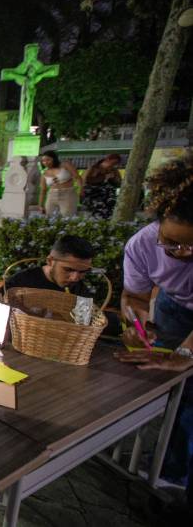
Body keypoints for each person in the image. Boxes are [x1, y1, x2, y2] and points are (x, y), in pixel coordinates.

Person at [118, 156, 193, 510]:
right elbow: (133, 295)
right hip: (174, 307)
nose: (182, 253)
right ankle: (163, 455)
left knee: (190, 390)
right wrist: (137, 325)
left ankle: (175, 472)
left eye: (192, 246)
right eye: (172, 243)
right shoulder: (142, 245)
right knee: (163, 380)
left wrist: (186, 355)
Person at [4, 235, 95, 296]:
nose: (75, 278)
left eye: (83, 271)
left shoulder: (80, 290)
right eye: (68, 269)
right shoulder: (20, 282)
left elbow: (84, 321)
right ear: (50, 261)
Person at [38, 150, 83, 217]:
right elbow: (43, 190)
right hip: (52, 195)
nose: (45, 162)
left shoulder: (65, 165)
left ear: (54, 159)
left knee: (67, 216)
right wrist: (40, 205)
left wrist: (81, 190)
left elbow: (77, 177)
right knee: (49, 216)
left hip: (68, 194)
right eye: (43, 161)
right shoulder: (44, 173)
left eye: (48, 160)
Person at [81, 153, 122, 219]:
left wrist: (114, 178)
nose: (114, 165)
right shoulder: (94, 168)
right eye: (113, 163)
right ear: (108, 160)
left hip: (109, 199)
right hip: (94, 197)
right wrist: (104, 177)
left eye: (116, 164)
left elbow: (119, 184)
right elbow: (87, 181)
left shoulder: (114, 170)